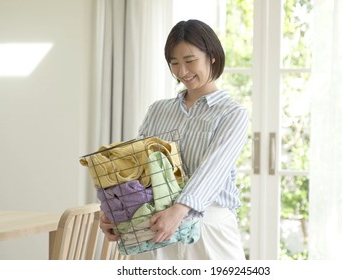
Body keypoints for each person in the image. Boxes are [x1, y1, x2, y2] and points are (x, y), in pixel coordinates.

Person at [99, 19, 249, 260]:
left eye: (190, 61)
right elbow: (137, 167)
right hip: (156, 226)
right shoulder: (158, 110)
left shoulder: (232, 114)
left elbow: (213, 169)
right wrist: (115, 210)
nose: (182, 72)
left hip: (209, 226)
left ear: (212, 56)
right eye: (174, 63)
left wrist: (180, 209)